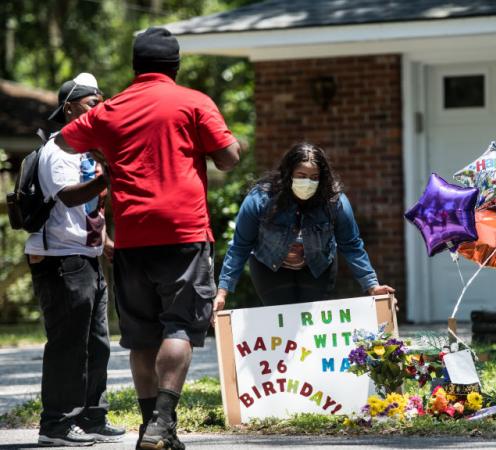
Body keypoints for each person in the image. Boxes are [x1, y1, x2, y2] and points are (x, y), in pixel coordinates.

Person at [55, 28, 242, 449]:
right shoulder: (194, 102)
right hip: (185, 232)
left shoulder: (112, 108)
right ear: (175, 66)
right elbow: (228, 159)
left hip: (133, 237)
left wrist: (108, 151)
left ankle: (150, 428)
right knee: (180, 325)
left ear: (135, 66)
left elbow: (66, 140)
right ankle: (161, 422)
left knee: (141, 335)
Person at [25, 73, 124, 447]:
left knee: (97, 344)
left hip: (87, 256)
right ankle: (55, 425)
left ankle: (91, 416)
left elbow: (87, 210)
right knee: (68, 344)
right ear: (69, 108)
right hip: (61, 260)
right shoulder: (58, 150)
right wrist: (108, 177)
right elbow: (68, 197)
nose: (98, 108)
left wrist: (106, 239)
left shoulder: (86, 151)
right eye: (91, 103)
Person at [214, 142, 394, 313]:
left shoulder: (334, 202)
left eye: (314, 178)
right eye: (301, 176)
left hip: (317, 267)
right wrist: (223, 292)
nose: (308, 182)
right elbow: (240, 246)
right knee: (281, 323)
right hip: (269, 267)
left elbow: (351, 245)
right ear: (288, 173)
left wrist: (372, 285)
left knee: (311, 327)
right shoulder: (260, 199)